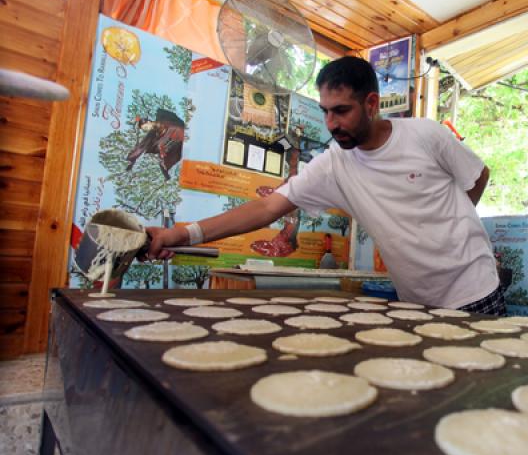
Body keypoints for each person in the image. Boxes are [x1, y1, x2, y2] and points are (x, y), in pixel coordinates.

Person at [145, 56, 505, 315]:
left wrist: (454, 223)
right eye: (325, 111)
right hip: (417, 302)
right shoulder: (334, 164)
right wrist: (182, 235)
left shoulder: (426, 135)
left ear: (372, 104)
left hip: (473, 289)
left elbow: (479, 176)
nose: (331, 123)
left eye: (342, 110)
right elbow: (267, 207)